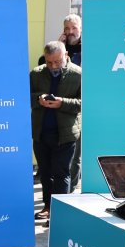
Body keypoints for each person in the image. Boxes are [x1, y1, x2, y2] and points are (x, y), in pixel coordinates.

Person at [30, 41, 82, 225]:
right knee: (45, 174)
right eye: (49, 62)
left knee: (61, 174)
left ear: (66, 55)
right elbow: (25, 97)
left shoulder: (78, 74)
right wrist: (38, 99)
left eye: (57, 62)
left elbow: (84, 102)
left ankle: (58, 213)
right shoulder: (36, 74)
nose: (53, 66)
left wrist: (62, 103)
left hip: (65, 134)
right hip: (41, 132)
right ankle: (47, 207)